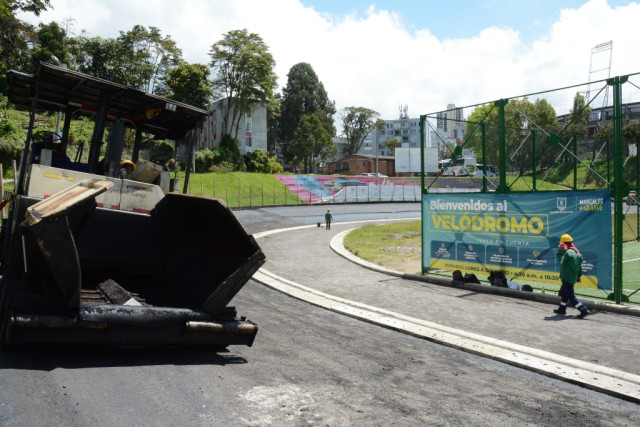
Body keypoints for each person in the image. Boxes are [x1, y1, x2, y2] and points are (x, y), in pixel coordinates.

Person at [554, 234, 590, 318]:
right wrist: (578, 276)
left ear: (563, 244)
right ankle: (562, 309)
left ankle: (583, 309)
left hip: (567, 276)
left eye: (561, 244)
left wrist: (559, 251)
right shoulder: (578, 253)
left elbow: (561, 261)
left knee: (570, 295)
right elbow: (579, 266)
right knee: (564, 293)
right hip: (573, 276)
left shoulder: (568, 253)